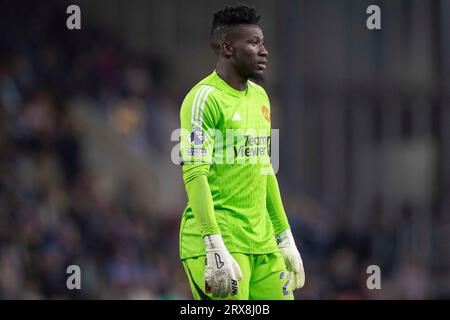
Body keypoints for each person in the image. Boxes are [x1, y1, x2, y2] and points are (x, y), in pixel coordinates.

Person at [178, 4, 305, 300]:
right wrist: (213, 243)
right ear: (227, 48)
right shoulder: (204, 99)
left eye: (262, 43)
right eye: (254, 43)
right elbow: (194, 173)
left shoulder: (260, 97)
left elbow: (265, 170)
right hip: (219, 243)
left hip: (263, 245)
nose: (264, 51)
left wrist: (285, 237)